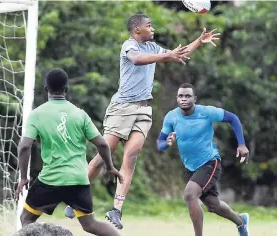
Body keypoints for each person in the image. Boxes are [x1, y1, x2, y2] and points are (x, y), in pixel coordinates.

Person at [65, 13, 220, 229]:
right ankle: (75, 196)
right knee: (103, 155)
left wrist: (198, 42)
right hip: (122, 109)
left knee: (131, 155)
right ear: (137, 30)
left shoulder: (154, 48)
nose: (153, 29)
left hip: (143, 110)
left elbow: (178, 54)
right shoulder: (128, 46)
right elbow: (137, 60)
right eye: (149, 25)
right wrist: (166, 57)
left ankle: (116, 209)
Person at [15, 69, 123, 236]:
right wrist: (110, 167)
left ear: (46, 89)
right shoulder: (80, 114)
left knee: (27, 219)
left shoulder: (37, 115)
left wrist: (23, 177)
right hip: (78, 180)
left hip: (50, 180)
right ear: (66, 89)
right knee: (90, 224)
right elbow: (102, 144)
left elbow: (24, 147)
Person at [157, 83, 250, 236]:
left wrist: (241, 144)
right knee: (214, 206)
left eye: (188, 96)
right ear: (177, 99)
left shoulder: (206, 112)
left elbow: (233, 118)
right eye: (181, 96)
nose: (184, 99)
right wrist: (166, 144)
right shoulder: (171, 116)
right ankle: (241, 221)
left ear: (195, 98)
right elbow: (160, 143)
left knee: (189, 194)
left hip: (210, 162)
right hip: (191, 167)